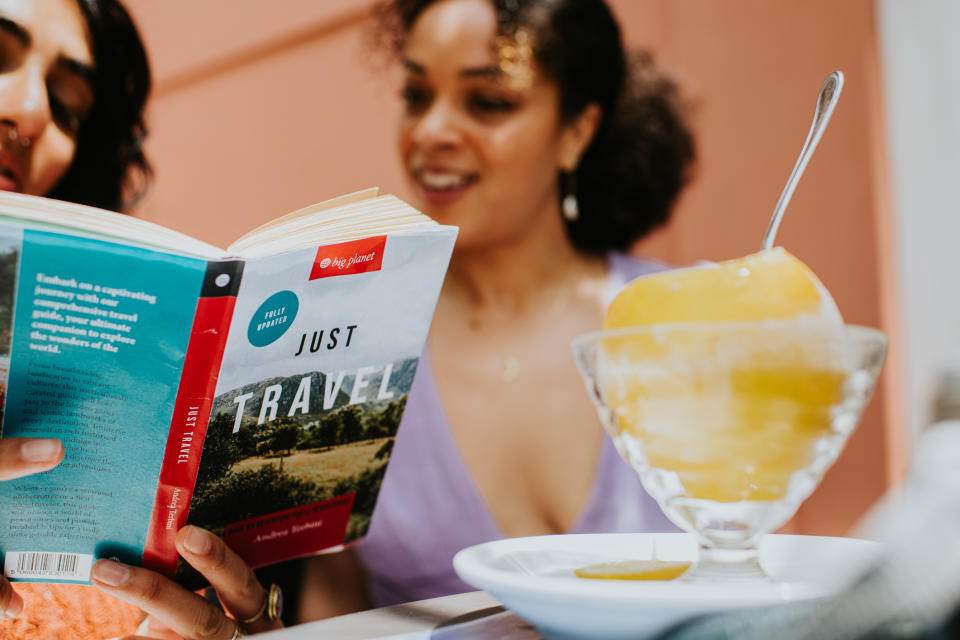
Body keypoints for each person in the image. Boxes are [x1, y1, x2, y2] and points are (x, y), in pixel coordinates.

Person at [92, 0, 695, 636]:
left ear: (577, 130)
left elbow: (773, 587)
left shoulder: (685, 328)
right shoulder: (352, 347)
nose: (431, 129)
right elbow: (337, 621)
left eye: (487, 101)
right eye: (415, 94)